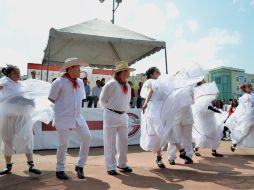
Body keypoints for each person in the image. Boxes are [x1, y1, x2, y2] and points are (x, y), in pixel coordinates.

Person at [48, 58, 91, 180]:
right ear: (71, 68)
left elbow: (81, 98)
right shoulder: (59, 82)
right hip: (63, 117)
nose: (80, 70)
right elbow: (51, 98)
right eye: (78, 67)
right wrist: (60, 108)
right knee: (63, 144)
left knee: (87, 137)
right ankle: (60, 169)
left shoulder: (80, 82)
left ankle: (80, 165)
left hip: (78, 117)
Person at [0, 65, 41, 175]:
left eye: (18, 73)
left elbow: (27, 99)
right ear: (8, 75)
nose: (18, 75)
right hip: (8, 117)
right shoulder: (5, 81)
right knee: (7, 140)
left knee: (26, 138)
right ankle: (8, 167)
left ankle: (31, 165)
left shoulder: (23, 85)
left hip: (23, 117)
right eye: (15, 73)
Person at [99, 61, 135, 175]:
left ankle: (122, 163)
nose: (129, 72)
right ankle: (110, 166)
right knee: (110, 142)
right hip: (111, 115)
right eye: (128, 70)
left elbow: (127, 100)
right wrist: (111, 110)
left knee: (123, 142)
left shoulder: (128, 85)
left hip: (123, 116)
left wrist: (121, 110)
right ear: (122, 72)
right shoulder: (111, 84)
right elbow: (102, 101)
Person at [192, 81, 225, 157]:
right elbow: (204, 107)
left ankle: (214, 151)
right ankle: (196, 148)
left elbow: (209, 105)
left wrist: (214, 110)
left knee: (214, 133)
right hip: (204, 119)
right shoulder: (198, 94)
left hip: (210, 118)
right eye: (203, 83)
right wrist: (215, 110)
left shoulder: (205, 95)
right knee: (204, 134)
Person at [226, 83, 254, 152]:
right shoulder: (245, 97)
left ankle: (234, 143)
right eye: (249, 86)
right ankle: (234, 143)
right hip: (249, 117)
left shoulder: (252, 95)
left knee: (247, 133)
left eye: (251, 86)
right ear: (244, 89)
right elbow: (244, 108)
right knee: (245, 133)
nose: (251, 87)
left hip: (251, 116)